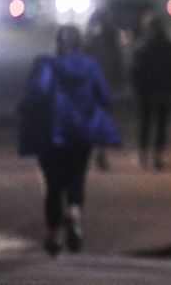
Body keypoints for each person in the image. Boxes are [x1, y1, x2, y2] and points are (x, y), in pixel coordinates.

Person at [17, 25, 121, 256]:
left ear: (57, 43)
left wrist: (24, 108)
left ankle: (55, 234)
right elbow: (104, 97)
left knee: (53, 184)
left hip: (52, 132)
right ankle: (74, 213)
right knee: (77, 176)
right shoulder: (90, 66)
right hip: (82, 132)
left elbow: (38, 92)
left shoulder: (46, 65)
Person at [130, 11, 171, 170]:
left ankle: (143, 154)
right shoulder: (169, 46)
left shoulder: (142, 46)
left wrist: (137, 88)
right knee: (161, 124)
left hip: (147, 92)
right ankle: (157, 156)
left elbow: (135, 70)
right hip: (164, 91)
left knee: (145, 123)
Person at [84, 7, 125, 171]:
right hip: (106, 84)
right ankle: (100, 152)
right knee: (103, 118)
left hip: (93, 85)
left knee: (90, 118)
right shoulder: (112, 40)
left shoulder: (92, 40)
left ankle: (93, 151)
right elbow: (117, 63)